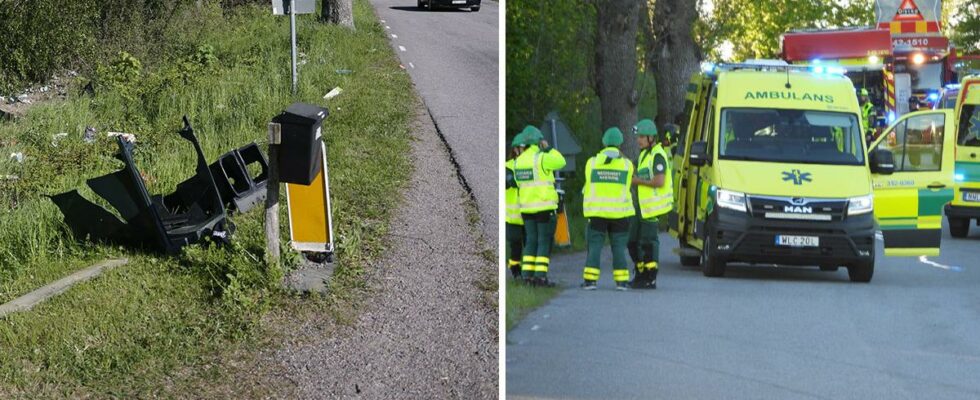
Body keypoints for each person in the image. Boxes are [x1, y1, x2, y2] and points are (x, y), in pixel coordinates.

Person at [581, 127, 635, 291]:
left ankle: (590, 281)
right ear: (620, 144)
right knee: (618, 247)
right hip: (620, 213)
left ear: (604, 142)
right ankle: (622, 281)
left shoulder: (591, 163)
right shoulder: (627, 165)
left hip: (597, 212)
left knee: (595, 245)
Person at [514, 125, 566, 287]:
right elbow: (561, 162)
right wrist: (548, 148)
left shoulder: (518, 161)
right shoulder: (541, 157)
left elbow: (518, 183)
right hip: (544, 207)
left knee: (531, 241)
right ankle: (540, 277)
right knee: (543, 241)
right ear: (538, 141)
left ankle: (527, 276)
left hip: (526, 208)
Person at [629, 120, 672, 289]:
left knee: (648, 243)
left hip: (651, 208)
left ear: (650, 137)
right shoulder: (644, 154)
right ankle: (640, 274)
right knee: (632, 242)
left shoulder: (657, 155)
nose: (638, 140)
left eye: (641, 137)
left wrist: (636, 181)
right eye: (637, 137)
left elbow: (659, 181)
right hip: (641, 207)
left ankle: (650, 278)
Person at [505, 132, 526, 280]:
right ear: (515, 150)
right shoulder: (508, 167)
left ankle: (530, 276)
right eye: (521, 148)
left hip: (529, 214)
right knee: (515, 247)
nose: (523, 151)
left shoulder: (533, 165)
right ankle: (515, 272)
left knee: (531, 245)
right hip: (513, 217)